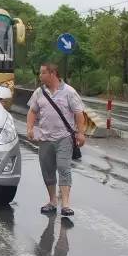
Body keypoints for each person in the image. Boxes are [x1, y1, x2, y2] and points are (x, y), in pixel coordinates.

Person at [26, 61, 86, 217]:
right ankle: (52, 200)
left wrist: (81, 133)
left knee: (63, 168)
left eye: (42, 73)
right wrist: (30, 128)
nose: (40, 76)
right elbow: (32, 111)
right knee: (47, 169)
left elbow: (79, 114)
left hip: (64, 138)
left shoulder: (69, 92)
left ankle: (65, 204)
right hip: (45, 138)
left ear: (52, 74)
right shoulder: (39, 92)